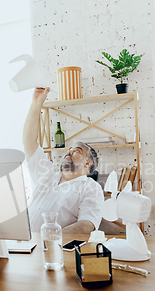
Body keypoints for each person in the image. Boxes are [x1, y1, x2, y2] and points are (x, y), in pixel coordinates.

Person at [23, 87, 104, 233]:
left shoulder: (91, 188)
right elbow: (29, 142)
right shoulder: (49, 171)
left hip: (55, 248)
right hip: (23, 244)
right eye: (70, 149)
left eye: (76, 151)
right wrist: (36, 105)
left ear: (87, 163)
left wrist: (50, 239)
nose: (69, 152)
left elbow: (86, 225)